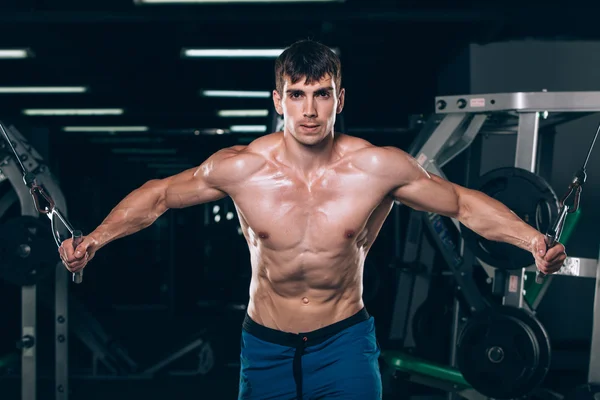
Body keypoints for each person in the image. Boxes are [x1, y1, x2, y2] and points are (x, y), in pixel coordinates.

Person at [59, 39, 566, 399]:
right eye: (296, 95)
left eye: (321, 94)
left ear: (339, 100)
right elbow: (159, 196)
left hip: (343, 342)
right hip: (265, 345)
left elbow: (461, 204)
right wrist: (96, 240)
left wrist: (533, 241)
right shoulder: (240, 168)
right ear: (277, 100)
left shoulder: (376, 167)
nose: (309, 110)